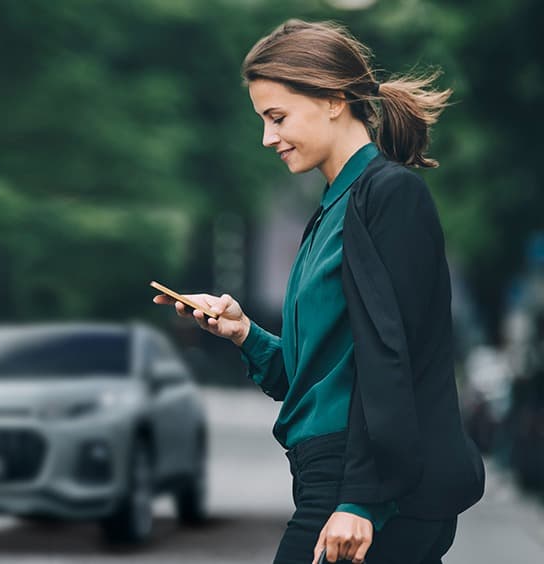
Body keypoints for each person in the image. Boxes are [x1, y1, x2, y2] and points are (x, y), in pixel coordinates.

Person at [153, 19, 484, 564]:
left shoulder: (389, 196)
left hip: (368, 489)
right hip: (332, 479)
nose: (267, 137)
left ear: (333, 99)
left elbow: (391, 360)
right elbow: (314, 378)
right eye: (263, 120)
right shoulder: (332, 211)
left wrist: (361, 498)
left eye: (277, 117)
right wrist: (245, 335)